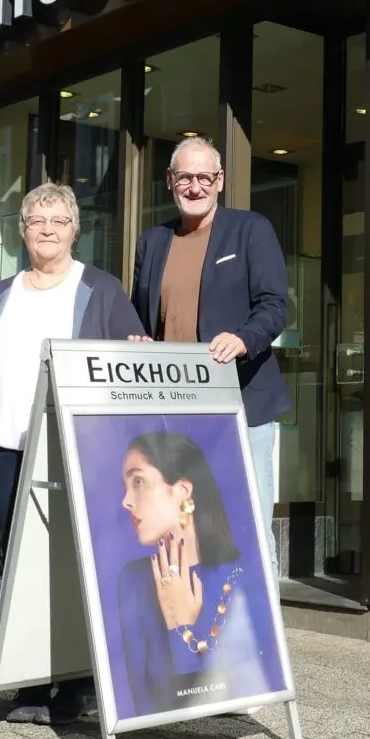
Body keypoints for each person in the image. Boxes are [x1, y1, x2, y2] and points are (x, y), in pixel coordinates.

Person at [0, 181, 144, 722]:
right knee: (21, 564)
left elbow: (130, 367)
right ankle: (31, 678)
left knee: (76, 559)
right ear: (22, 230)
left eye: (58, 221)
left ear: (74, 230)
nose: (46, 229)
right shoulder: (0, 295)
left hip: (74, 448)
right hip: (6, 447)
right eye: (37, 220)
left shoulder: (100, 290)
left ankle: (80, 680)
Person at [130, 139, 291, 575]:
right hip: (174, 410)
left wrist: (243, 339)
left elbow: (275, 305)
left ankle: (263, 634)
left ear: (220, 181)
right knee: (185, 525)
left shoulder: (250, 229)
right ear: (170, 181)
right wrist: (141, 342)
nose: (195, 187)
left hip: (242, 404)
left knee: (247, 521)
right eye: (185, 177)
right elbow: (144, 320)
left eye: (205, 177)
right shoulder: (152, 241)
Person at [114, 431, 274, 715]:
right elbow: (143, 706)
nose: (126, 500)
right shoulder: (133, 581)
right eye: (126, 486)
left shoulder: (240, 583)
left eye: (138, 481)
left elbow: (239, 693)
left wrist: (179, 626)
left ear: (183, 491)